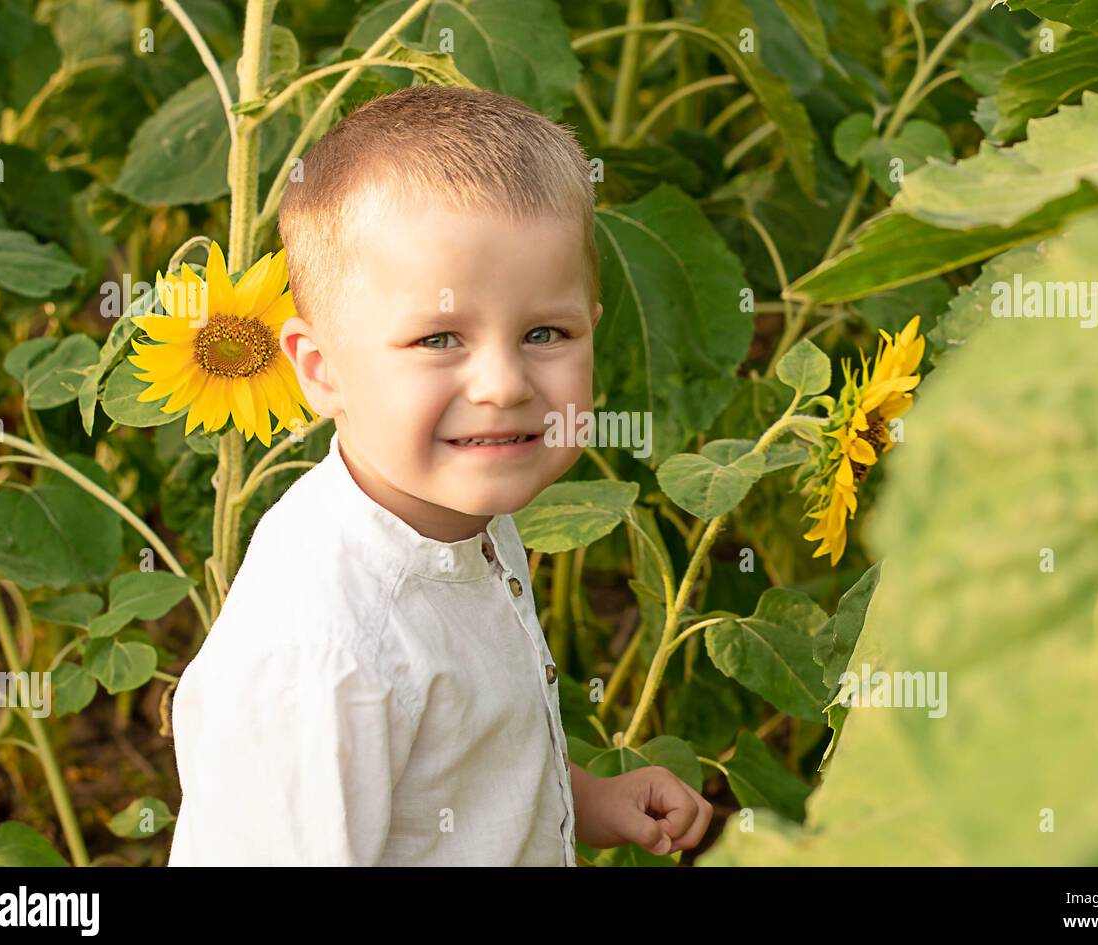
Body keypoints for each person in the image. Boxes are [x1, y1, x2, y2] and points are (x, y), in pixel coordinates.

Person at [167, 86, 713, 865]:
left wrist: (582, 797)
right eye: (438, 339)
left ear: (593, 330)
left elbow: (450, 762)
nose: (504, 384)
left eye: (544, 332)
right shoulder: (324, 654)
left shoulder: (457, 506)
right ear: (321, 373)